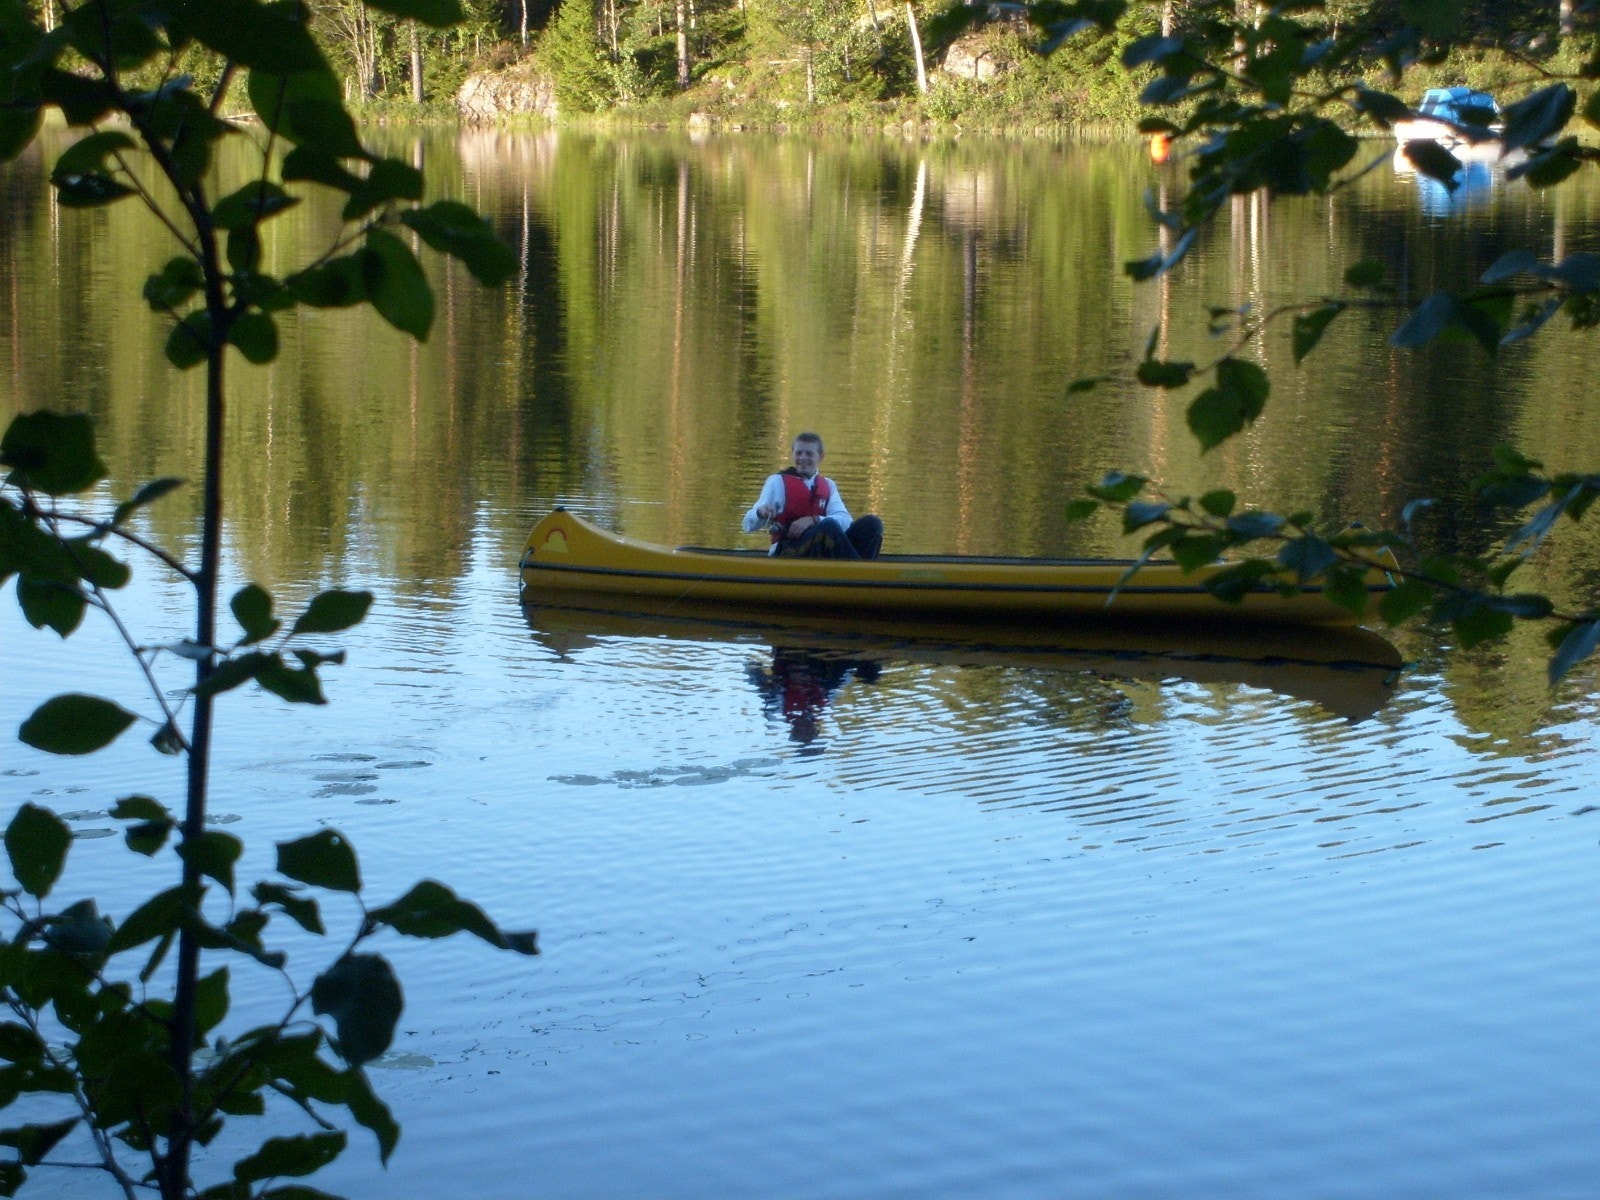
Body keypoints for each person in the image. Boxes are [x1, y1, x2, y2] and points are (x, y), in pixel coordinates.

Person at [742, 432, 884, 559]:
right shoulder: (777, 482)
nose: (802, 458)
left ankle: (860, 572)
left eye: (809, 454)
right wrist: (760, 513)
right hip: (787, 550)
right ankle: (861, 575)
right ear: (793, 454)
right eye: (798, 453)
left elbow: (845, 521)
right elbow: (747, 524)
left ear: (820, 457)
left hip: (819, 548)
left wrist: (813, 520)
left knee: (872, 524)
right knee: (828, 525)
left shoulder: (828, 485)